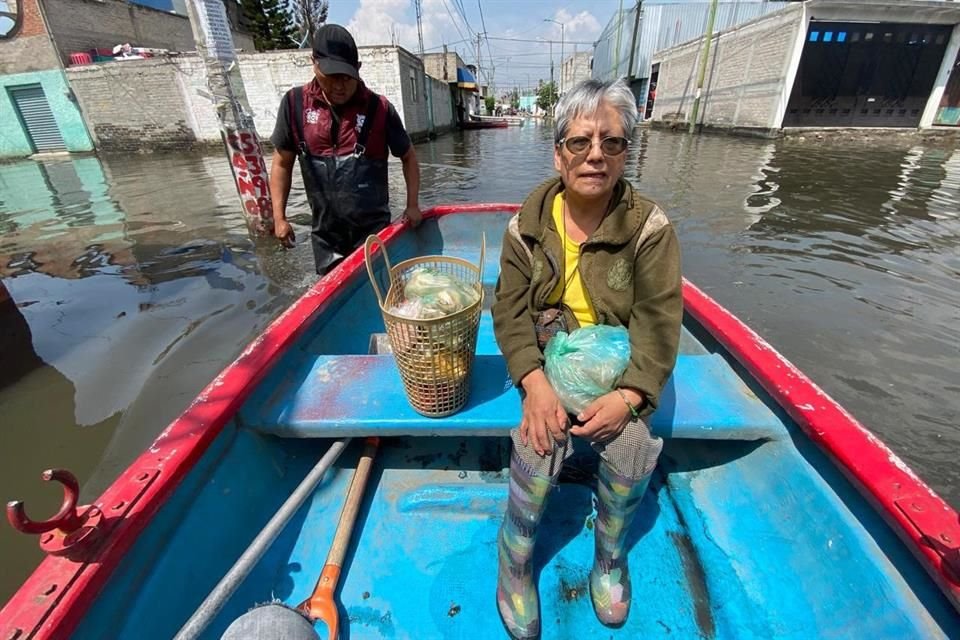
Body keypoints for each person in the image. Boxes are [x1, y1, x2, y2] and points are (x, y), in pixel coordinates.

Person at [491, 79, 682, 639]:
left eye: (611, 142)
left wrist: (628, 396)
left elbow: (658, 321)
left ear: (626, 152)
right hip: (550, 351)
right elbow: (508, 311)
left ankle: (610, 555)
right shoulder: (525, 227)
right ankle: (515, 557)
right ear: (559, 153)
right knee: (540, 435)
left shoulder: (649, 228)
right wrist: (534, 383)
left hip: (615, 360)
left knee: (631, 443)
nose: (595, 154)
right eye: (579, 142)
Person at [269, 24, 423, 276]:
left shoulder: (380, 109)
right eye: (331, 76)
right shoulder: (294, 105)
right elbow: (281, 163)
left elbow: (408, 156)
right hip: (326, 236)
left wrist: (412, 204)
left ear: (358, 70)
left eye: (346, 77)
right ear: (314, 64)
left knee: (381, 288)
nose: (339, 86)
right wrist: (279, 218)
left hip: (373, 234)